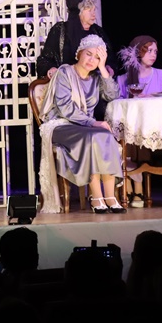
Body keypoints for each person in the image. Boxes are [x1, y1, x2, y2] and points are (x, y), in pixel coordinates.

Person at [36, 34, 126, 213]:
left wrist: (103, 68)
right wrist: (93, 123)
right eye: (89, 54)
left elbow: (113, 96)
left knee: (105, 136)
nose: (92, 60)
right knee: (94, 137)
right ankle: (96, 197)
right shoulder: (64, 73)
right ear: (79, 53)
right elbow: (65, 108)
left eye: (97, 58)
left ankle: (110, 197)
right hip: (60, 125)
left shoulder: (95, 78)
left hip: (85, 127)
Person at [117, 35, 162, 206]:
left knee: (138, 137)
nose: (153, 55)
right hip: (134, 130)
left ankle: (137, 189)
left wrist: (157, 95)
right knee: (128, 138)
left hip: (160, 128)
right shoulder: (124, 79)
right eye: (149, 51)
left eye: (155, 51)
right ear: (138, 52)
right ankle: (134, 189)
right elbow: (119, 107)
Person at [36, 0, 112, 79]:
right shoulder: (60, 30)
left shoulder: (98, 31)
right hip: (65, 81)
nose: (94, 14)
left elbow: (111, 58)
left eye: (94, 10)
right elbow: (44, 60)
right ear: (78, 12)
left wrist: (110, 67)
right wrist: (51, 69)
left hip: (92, 82)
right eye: (89, 10)